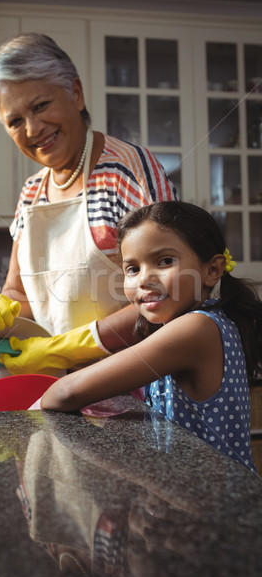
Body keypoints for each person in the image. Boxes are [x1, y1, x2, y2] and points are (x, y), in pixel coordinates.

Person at [0, 32, 178, 369]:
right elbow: (19, 295)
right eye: (15, 121)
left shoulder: (128, 171)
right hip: (56, 388)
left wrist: (65, 348)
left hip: (132, 385)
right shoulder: (31, 193)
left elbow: (170, 295)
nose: (33, 129)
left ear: (76, 94)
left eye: (41, 106)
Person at [26, 201, 262, 472]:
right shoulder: (200, 323)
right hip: (190, 494)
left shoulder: (196, 329)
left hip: (213, 505)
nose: (144, 279)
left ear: (212, 270)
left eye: (165, 261)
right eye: (133, 269)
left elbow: (65, 393)